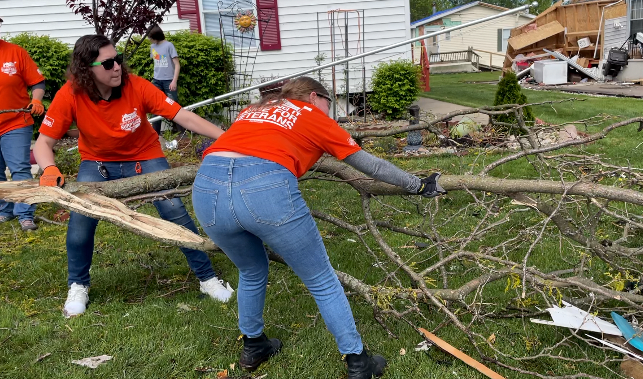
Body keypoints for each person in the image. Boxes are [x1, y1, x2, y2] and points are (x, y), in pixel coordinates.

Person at [191, 76, 446, 378]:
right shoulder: (311, 114)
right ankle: (358, 363)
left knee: (250, 270)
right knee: (321, 280)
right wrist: (418, 185)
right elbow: (372, 166)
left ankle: (253, 345)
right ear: (314, 97)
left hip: (207, 189)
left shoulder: (255, 109)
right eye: (329, 104)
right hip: (264, 190)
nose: (330, 111)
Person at [33, 34, 234, 318]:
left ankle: (207, 278)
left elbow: (182, 116)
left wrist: (228, 139)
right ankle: (78, 285)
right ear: (86, 69)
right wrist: (50, 168)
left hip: (145, 156)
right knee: (80, 223)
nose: (116, 67)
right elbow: (43, 143)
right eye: (107, 63)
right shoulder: (71, 93)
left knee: (174, 211)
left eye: (118, 59)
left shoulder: (136, 85)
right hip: (97, 163)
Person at [0, 16, 46, 231]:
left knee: (19, 168)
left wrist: (36, 99)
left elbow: (37, 82)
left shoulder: (15, 52)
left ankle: (25, 214)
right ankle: (4, 210)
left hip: (16, 121)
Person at [147, 24, 180, 135]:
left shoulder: (169, 46)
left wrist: (174, 81)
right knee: (155, 107)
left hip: (169, 81)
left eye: (150, 37)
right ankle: (155, 134)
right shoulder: (152, 47)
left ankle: (181, 132)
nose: (149, 39)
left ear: (156, 36)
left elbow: (177, 64)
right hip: (156, 80)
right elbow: (157, 63)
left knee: (174, 105)